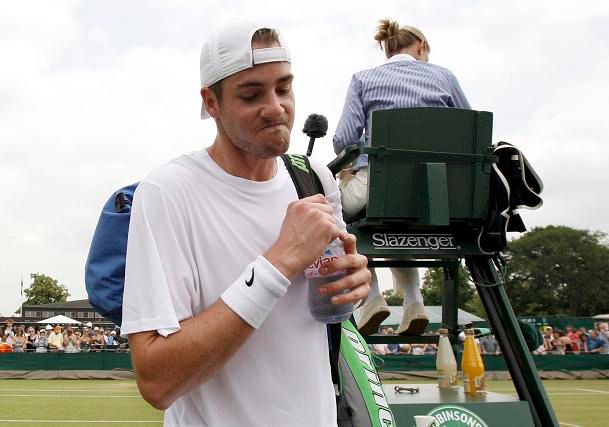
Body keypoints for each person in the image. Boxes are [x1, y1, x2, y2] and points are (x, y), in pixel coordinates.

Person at [120, 18, 370, 426]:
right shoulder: (169, 191)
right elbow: (157, 381)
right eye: (252, 95)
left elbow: (324, 317)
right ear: (211, 102)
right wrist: (277, 264)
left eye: (284, 88)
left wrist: (355, 286)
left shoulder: (314, 178)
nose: (276, 108)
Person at [333, 18, 471, 336]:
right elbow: (468, 130)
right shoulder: (445, 77)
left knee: (328, 215)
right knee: (397, 217)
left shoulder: (363, 80)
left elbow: (343, 140)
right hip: (441, 194)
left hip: (378, 186)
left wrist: (349, 168)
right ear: (421, 47)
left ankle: (371, 297)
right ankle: (413, 303)